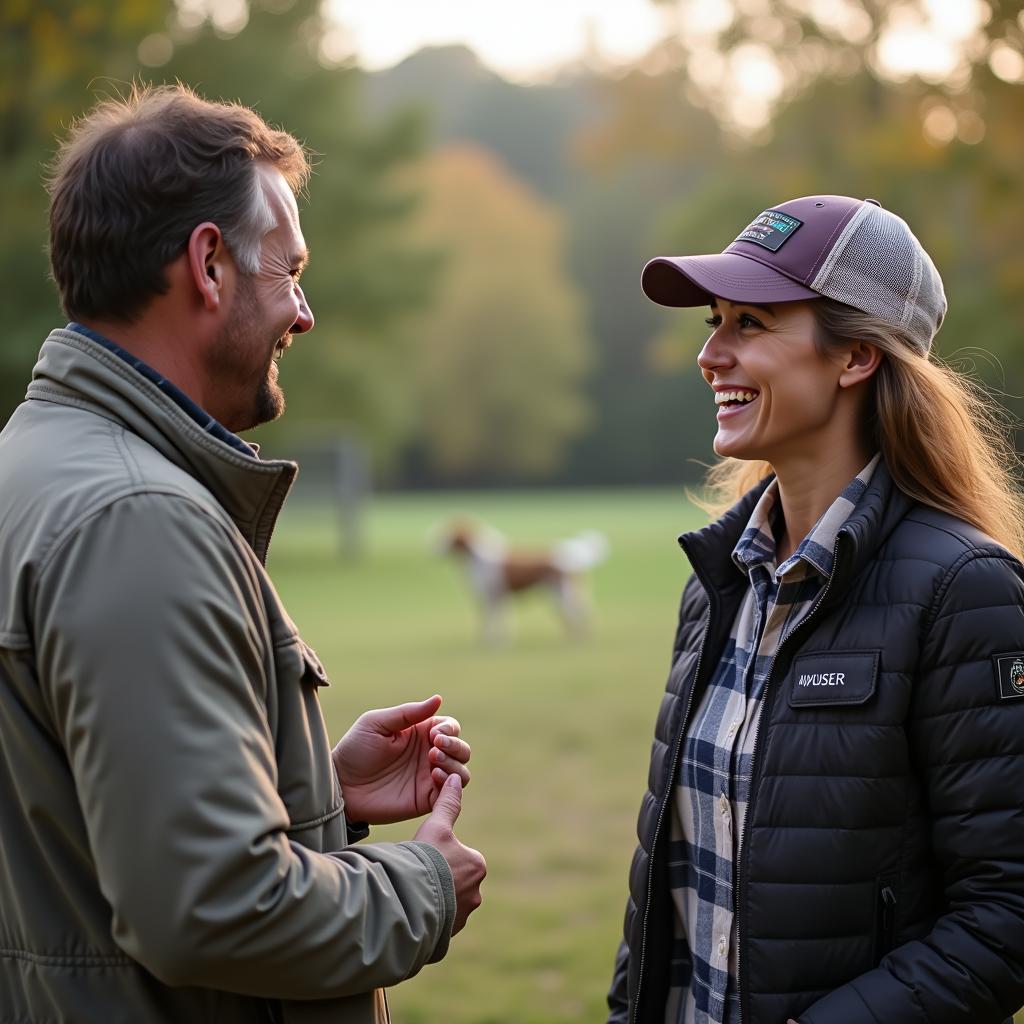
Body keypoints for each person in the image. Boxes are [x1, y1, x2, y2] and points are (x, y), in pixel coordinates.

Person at [0, 84, 485, 1023]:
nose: (304, 314)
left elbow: (71, 828)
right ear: (209, 265)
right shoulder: (136, 521)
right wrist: (421, 888)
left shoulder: (30, 465)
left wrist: (307, 793)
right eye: (289, 270)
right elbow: (209, 910)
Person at [607, 195, 1024, 1024]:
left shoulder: (965, 591)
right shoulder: (719, 582)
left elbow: (1007, 917)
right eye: (713, 323)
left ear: (855, 358)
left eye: (751, 324)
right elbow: (670, 882)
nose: (712, 355)